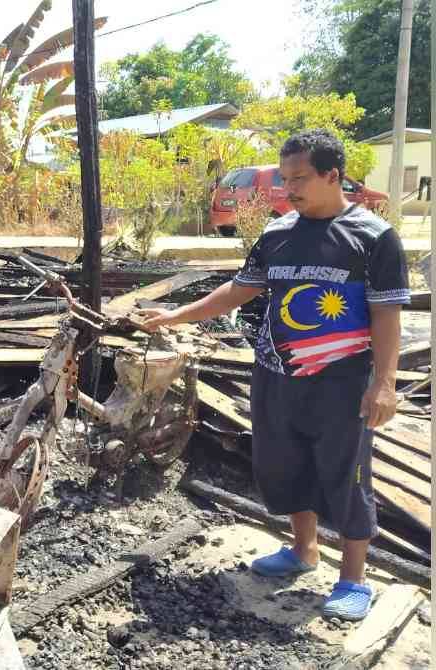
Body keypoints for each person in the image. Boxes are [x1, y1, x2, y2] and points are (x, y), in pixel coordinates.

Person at [139, 129, 410, 621]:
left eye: (299, 179)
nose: (289, 191)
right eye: (284, 180)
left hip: (342, 382)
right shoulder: (277, 234)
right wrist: (175, 316)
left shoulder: (373, 237)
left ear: (335, 175)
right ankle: (303, 551)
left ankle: (354, 580)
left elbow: (387, 316)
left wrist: (384, 383)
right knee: (284, 465)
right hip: (275, 376)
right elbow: (238, 291)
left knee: (347, 476)